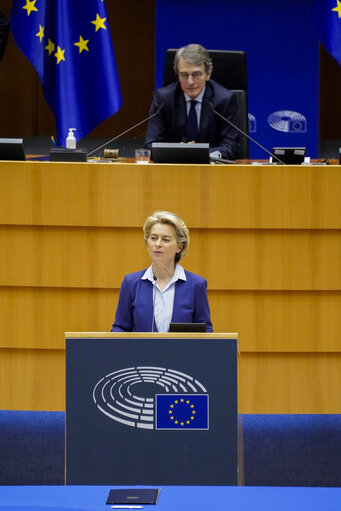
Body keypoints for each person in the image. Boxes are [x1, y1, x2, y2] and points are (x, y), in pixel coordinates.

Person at [111, 210, 213, 332]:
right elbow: (120, 328)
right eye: (153, 238)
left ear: (179, 247)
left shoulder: (196, 285)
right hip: (141, 351)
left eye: (165, 239)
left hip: (181, 351)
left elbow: (205, 331)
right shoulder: (131, 283)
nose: (158, 244)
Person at [144, 43, 239, 160]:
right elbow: (150, 145)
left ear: (208, 74)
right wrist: (178, 151)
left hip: (212, 170)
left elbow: (231, 146)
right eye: (184, 75)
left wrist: (199, 154)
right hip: (173, 171)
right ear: (177, 74)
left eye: (196, 74)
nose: (190, 82)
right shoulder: (164, 99)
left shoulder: (224, 100)